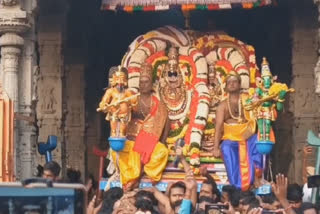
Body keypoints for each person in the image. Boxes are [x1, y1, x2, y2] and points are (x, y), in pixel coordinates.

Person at [110, 62, 170, 191]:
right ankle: (132, 178)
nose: (143, 85)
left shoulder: (157, 103)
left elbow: (166, 121)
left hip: (148, 139)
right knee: (116, 151)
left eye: (146, 82)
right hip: (131, 138)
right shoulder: (132, 99)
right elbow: (121, 113)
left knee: (162, 151)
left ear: (152, 84)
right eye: (141, 82)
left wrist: (163, 141)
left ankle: (139, 175)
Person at [213, 71, 263, 191]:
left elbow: (253, 121)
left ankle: (256, 176)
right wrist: (215, 147)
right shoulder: (223, 106)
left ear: (240, 84)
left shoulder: (247, 100)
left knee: (257, 140)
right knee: (225, 147)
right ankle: (236, 184)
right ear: (225, 87)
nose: (232, 84)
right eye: (229, 82)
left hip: (247, 135)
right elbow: (219, 127)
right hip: (230, 138)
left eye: (235, 81)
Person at [97, 66, 138, 137]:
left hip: (124, 114)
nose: (119, 83)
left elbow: (134, 100)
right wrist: (103, 105)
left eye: (122, 79)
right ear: (114, 80)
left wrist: (131, 101)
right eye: (118, 79)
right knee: (113, 130)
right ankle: (113, 133)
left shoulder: (127, 92)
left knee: (122, 132)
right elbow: (104, 101)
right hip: (114, 113)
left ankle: (122, 134)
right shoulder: (110, 91)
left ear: (125, 80)